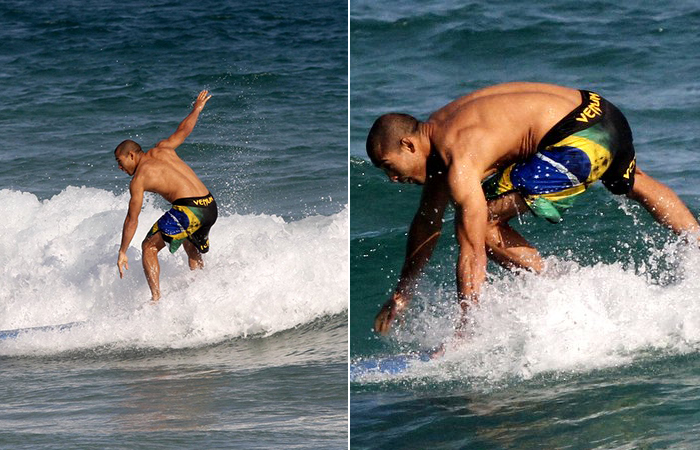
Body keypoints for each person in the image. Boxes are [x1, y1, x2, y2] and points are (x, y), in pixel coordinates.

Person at [366, 82, 699, 334]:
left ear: (408, 145)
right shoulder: (442, 129)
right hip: (601, 111)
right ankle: (696, 243)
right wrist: (402, 294)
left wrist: (465, 329)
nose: (392, 178)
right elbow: (427, 223)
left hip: (580, 143)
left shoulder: (458, 155)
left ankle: (561, 290)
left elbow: (470, 248)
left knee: (483, 224)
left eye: (388, 165)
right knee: (634, 181)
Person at [115, 90, 218, 301]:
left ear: (131, 155)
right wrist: (197, 108)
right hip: (209, 205)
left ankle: (155, 300)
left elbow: (132, 219)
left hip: (189, 210)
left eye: (120, 161)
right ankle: (203, 292)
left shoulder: (139, 179)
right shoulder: (164, 148)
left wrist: (123, 251)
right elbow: (184, 130)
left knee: (149, 246)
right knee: (190, 245)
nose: (120, 167)